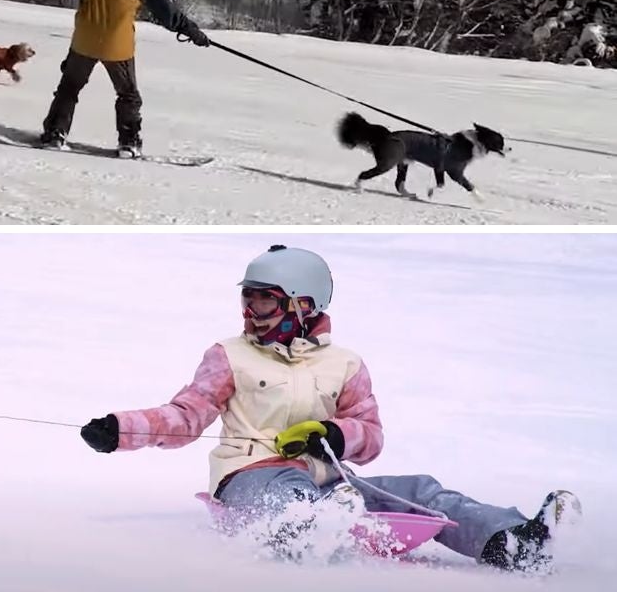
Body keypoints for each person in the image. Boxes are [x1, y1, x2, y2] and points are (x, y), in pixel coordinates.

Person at [79, 244, 580, 571]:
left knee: (421, 490)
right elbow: (187, 415)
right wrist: (120, 429)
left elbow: (371, 434)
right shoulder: (228, 355)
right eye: (248, 300)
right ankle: (313, 524)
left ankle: (513, 542)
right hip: (250, 477)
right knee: (291, 490)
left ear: (304, 305)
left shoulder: (344, 363)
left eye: (265, 301)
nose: (251, 313)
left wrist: (336, 435)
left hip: (330, 479)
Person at [40, 0, 210, 158]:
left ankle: (54, 134)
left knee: (69, 88)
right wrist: (192, 32)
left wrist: (72, 54)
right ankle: (129, 144)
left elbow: (84, 5)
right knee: (128, 94)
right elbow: (166, 13)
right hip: (116, 42)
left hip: (84, 38)